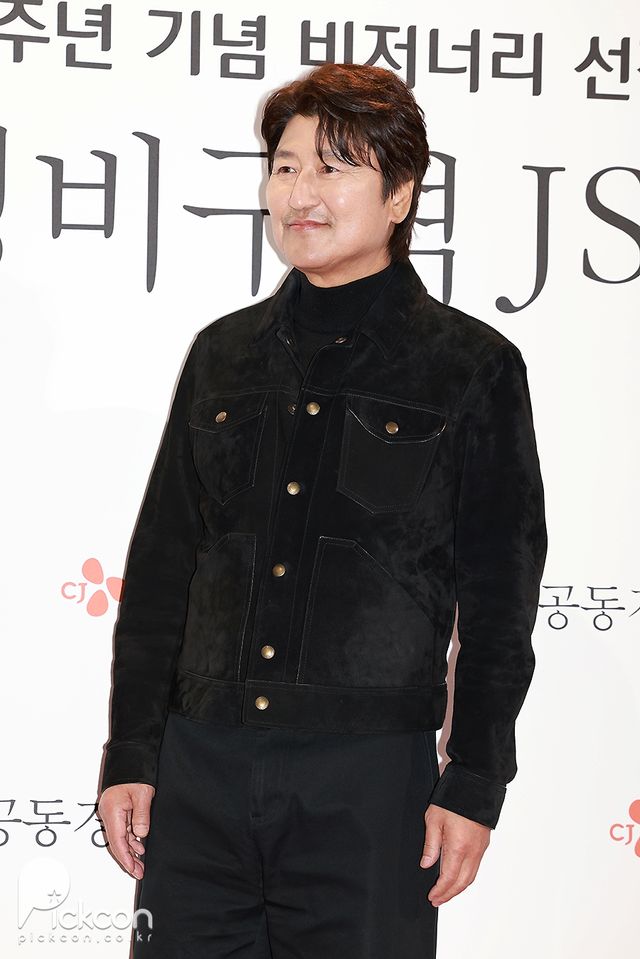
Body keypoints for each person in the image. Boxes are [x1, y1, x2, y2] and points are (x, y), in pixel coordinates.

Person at [97, 62, 548, 959]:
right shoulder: (222, 355)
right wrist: (133, 755)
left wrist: (474, 778)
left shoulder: (470, 366)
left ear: (400, 193)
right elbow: (162, 569)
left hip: (367, 787)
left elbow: (501, 602)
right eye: (285, 166)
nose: (300, 193)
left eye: (333, 168)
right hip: (199, 772)